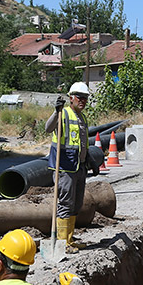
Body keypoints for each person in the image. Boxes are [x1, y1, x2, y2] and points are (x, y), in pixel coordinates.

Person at [46, 81, 98, 249]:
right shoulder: (64, 113)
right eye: (79, 97)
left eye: (85, 98)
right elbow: (48, 129)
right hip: (65, 167)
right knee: (65, 203)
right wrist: (56, 112)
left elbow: (82, 143)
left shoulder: (82, 117)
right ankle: (61, 243)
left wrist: (89, 160)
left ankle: (69, 239)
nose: (82, 101)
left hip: (79, 166)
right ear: (71, 98)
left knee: (76, 204)